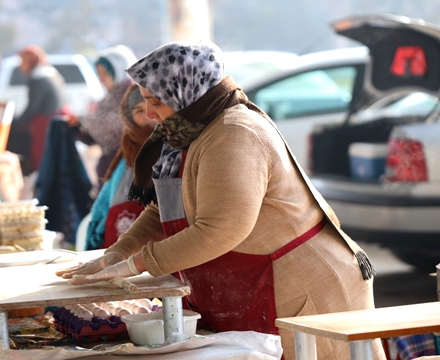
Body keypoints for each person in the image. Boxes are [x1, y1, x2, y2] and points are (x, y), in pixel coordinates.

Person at [57, 41, 386, 360]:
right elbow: (163, 209)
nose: (151, 114)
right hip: (254, 284)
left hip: (304, 289)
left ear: (184, 92)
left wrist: (137, 264)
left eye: (156, 100)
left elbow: (220, 229)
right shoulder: (187, 131)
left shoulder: (235, 132)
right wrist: (115, 253)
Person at [84, 84, 156, 250]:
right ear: (129, 117)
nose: (148, 116)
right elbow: (104, 203)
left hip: (155, 252)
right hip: (116, 248)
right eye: (139, 111)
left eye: (152, 107)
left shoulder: (172, 150)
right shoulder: (125, 155)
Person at [67, 45, 138, 187]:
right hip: (110, 167)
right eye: (99, 74)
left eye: (105, 74)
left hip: (126, 169)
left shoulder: (134, 95)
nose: (101, 79)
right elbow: (97, 137)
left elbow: (119, 126)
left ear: (118, 69)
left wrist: (83, 121)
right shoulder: (110, 97)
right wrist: (77, 127)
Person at [7, 45, 66, 175]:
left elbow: (32, 107)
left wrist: (17, 123)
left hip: (45, 123)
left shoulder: (38, 79)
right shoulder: (50, 73)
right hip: (54, 119)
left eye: (22, 61)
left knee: (40, 156)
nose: (20, 66)